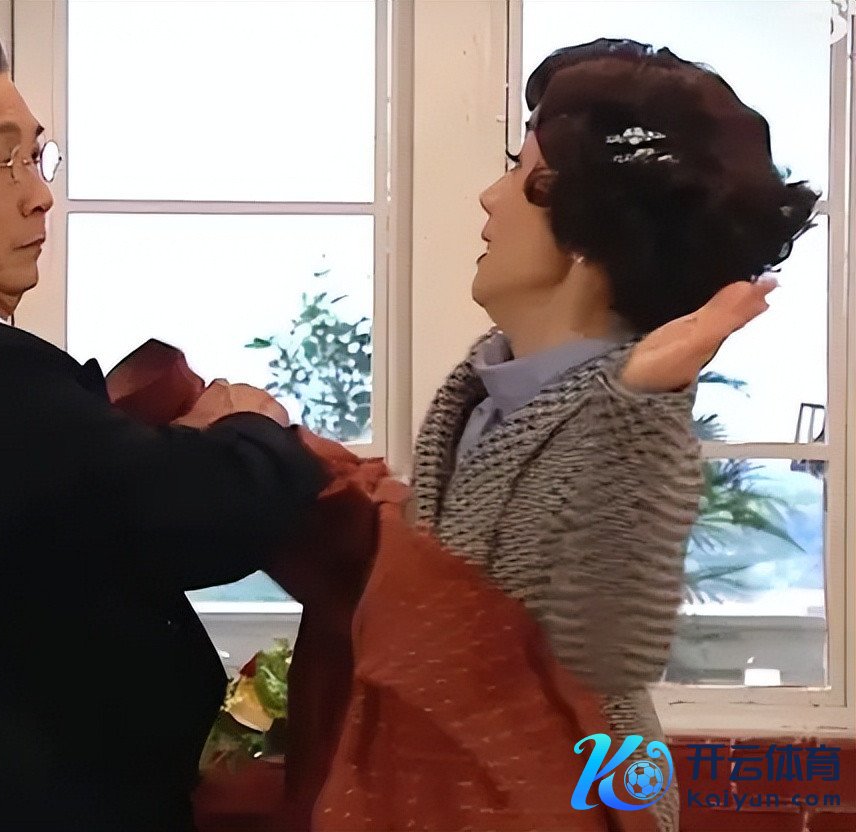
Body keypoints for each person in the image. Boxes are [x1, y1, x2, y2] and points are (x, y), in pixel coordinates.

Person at [0, 18, 326, 832]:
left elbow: (85, 508)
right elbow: (207, 518)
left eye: (35, 156)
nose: (38, 193)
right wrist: (250, 425)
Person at [317, 38, 817, 832]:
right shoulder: (487, 393)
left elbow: (607, 651)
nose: (489, 199)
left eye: (522, 174)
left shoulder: (628, 415)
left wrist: (642, 402)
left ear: (585, 227)